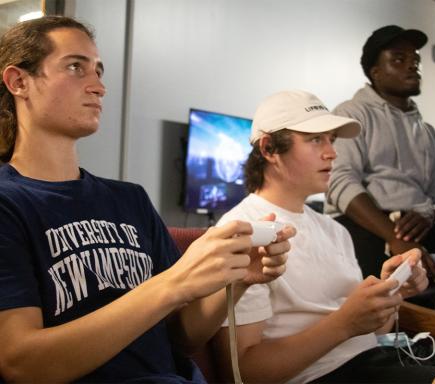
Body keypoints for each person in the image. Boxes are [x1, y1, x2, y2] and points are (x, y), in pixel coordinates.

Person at [0, 16, 294, 383]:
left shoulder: (130, 199)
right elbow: (21, 363)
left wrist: (234, 283)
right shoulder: (9, 204)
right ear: (19, 82)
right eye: (76, 67)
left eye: (99, 71)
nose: (99, 87)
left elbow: (182, 338)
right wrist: (173, 283)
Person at [212, 89, 435, 383]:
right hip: (323, 375)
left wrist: (392, 294)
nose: (332, 152)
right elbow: (245, 373)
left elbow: (374, 334)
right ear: (268, 149)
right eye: (315, 139)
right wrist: (344, 322)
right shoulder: (242, 229)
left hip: (379, 358)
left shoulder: (334, 230)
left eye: (332, 139)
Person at [325, 25, 435, 279]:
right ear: (376, 72)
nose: (412, 65)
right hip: (366, 225)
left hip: (422, 225)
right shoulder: (351, 114)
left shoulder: (432, 136)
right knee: (363, 251)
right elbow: (340, 182)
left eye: (415, 60)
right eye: (399, 59)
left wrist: (428, 214)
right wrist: (394, 238)